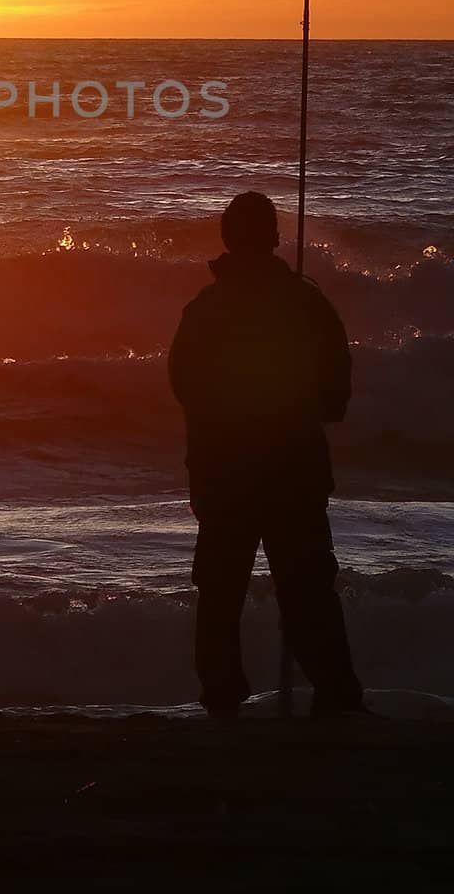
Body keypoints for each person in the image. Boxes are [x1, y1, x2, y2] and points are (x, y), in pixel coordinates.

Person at [167, 191, 365, 718]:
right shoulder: (306, 302)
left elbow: (183, 384)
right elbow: (336, 394)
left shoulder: (205, 309)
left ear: (227, 241)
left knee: (220, 591)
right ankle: (336, 696)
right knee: (307, 588)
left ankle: (223, 699)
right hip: (294, 469)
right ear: (275, 239)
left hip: (223, 472)